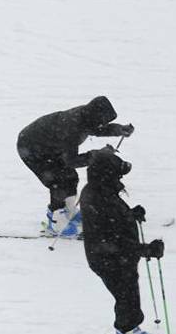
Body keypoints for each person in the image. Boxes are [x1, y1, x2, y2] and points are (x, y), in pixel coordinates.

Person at [79, 147, 166, 334]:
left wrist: (131, 214)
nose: (119, 177)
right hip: (109, 258)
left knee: (129, 295)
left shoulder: (101, 189)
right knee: (126, 297)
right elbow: (112, 240)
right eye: (117, 172)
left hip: (118, 258)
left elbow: (115, 221)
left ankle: (131, 332)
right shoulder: (98, 198)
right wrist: (145, 249)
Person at [16, 96, 135, 237]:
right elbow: (72, 161)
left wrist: (119, 130)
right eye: (102, 121)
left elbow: (97, 129)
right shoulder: (72, 127)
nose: (102, 124)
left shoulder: (87, 116)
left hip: (50, 147)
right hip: (32, 149)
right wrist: (98, 155)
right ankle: (56, 223)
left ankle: (68, 212)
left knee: (70, 177)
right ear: (95, 116)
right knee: (57, 181)